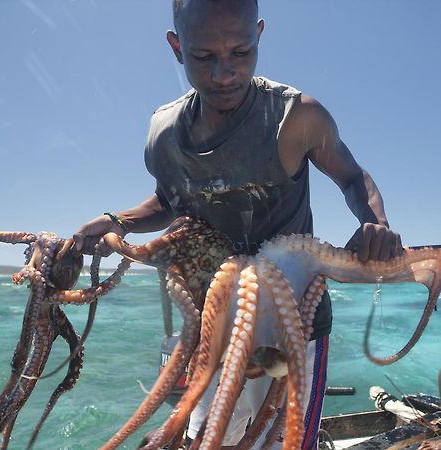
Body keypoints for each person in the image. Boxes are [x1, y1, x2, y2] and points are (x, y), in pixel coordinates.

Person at [73, 0, 403, 448]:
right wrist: (119, 221)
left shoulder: (296, 116)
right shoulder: (164, 133)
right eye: (204, 56)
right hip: (217, 319)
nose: (224, 72)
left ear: (260, 37)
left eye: (241, 52)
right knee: (213, 435)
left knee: (284, 437)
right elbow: (172, 199)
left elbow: (352, 177)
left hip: (296, 321)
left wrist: (374, 223)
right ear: (177, 47)